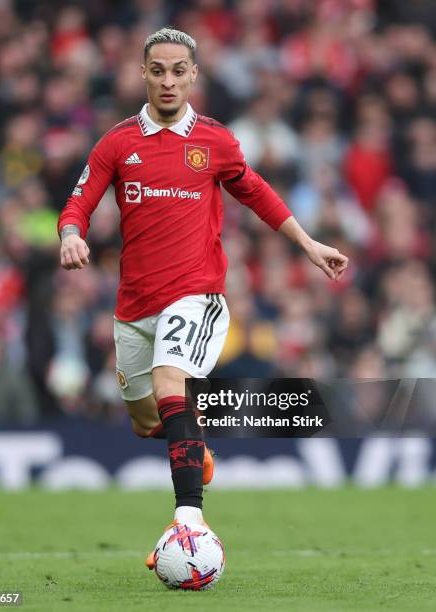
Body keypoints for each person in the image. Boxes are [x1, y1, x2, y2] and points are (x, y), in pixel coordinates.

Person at [57, 27, 348, 571]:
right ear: (143, 73)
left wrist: (307, 243)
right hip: (134, 305)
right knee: (148, 419)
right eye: (158, 70)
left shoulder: (215, 141)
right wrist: (71, 234)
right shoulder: (117, 142)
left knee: (174, 384)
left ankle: (188, 522)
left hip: (196, 295)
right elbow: (79, 201)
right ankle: (199, 453)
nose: (168, 80)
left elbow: (256, 192)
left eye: (178, 70)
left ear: (194, 75)